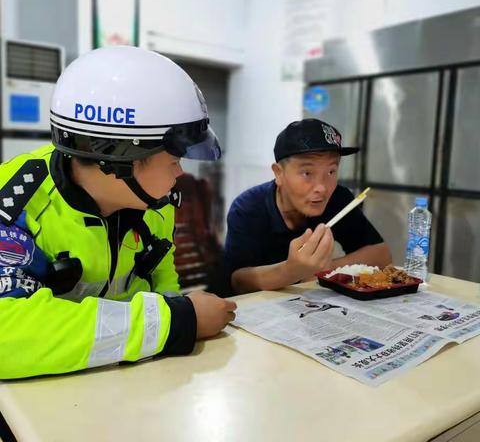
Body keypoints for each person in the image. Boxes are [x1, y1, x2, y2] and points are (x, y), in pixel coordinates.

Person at [0, 46, 236, 379]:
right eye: (174, 160)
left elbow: (161, 280)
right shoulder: (14, 203)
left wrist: (175, 311)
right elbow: (5, 335)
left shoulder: (153, 202)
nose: (180, 172)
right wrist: (177, 321)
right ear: (117, 159)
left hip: (129, 380)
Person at [225, 118, 391, 294]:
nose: (322, 188)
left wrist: (324, 268)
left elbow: (380, 254)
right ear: (279, 173)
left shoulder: (338, 198)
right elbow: (238, 281)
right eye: (307, 173)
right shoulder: (248, 207)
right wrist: (291, 270)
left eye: (331, 171)